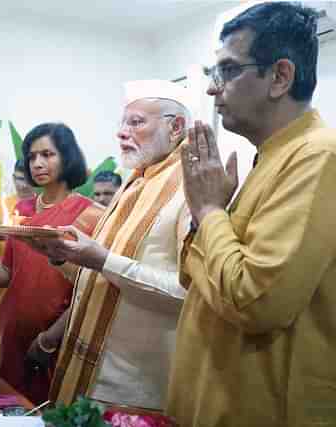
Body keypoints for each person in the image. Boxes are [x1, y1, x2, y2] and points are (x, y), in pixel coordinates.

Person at [166, 3, 336, 426]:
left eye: (226, 71)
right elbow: (195, 278)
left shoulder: (319, 157)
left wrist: (208, 211)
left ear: (279, 76)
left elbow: (255, 302)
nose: (211, 89)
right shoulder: (273, 157)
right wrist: (211, 215)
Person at [20, 80, 192, 410]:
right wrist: (61, 258)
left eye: (137, 122)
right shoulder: (136, 180)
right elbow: (100, 278)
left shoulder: (190, 188)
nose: (122, 133)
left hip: (133, 389)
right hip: (88, 375)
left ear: (176, 127)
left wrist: (101, 261)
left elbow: (189, 294)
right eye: (123, 123)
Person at [0, 123, 104, 404]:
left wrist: (49, 339)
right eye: (31, 157)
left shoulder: (91, 215)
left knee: (48, 412)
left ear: (68, 157)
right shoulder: (21, 214)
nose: (38, 163)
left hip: (55, 339)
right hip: (12, 333)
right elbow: (8, 272)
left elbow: (91, 290)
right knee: (12, 411)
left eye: (47, 154)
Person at [0, 158, 35, 362]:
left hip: (32, 289)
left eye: (28, 179)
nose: (24, 184)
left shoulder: (43, 208)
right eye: (19, 179)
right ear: (13, 178)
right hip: (0, 288)